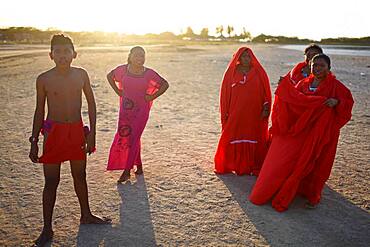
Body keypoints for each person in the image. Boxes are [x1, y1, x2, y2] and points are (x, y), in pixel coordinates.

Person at [28, 34, 111, 247]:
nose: (63, 55)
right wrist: (34, 140)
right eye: (58, 51)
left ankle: (86, 214)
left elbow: (91, 104)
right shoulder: (44, 79)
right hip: (53, 133)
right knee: (51, 182)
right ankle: (47, 228)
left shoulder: (81, 75)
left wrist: (92, 133)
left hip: (76, 131)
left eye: (67, 51)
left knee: (79, 175)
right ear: (51, 55)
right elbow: (40, 110)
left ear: (74, 54)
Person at [249, 54, 354, 212]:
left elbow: (348, 104)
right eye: (314, 65)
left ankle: (311, 195)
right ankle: (283, 189)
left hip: (320, 133)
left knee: (317, 162)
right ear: (310, 67)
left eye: (321, 65)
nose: (317, 68)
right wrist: (285, 90)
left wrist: (337, 102)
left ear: (329, 68)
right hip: (300, 132)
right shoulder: (303, 83)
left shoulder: (336, 86)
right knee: (290, 161)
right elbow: (292, 102)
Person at [106, 46, 169, 182]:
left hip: (142, 110)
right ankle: (138, 165)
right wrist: (118, 91)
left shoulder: (149, 73)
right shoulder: (123, 70)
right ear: (130, 56)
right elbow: (109, 76)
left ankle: (127, 170)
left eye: (142, 56)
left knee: (134, 137)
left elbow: (165, 84)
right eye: (137, 55)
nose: (140, 59)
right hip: (126, 109)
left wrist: (152, 97)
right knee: (128, 136)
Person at [214, 47, 272, 176]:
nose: (246, 58)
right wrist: (226, 112)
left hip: (254, 112)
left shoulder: (259, 72)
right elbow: (225, 93)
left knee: (253, 135)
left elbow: (265, 93)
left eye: (249, 56)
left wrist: (266, 107)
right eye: (244, 56)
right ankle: (231, 164)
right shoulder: (231, 72)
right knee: (232, 135)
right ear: (238, 58)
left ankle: (253, 166)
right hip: (236, 111)